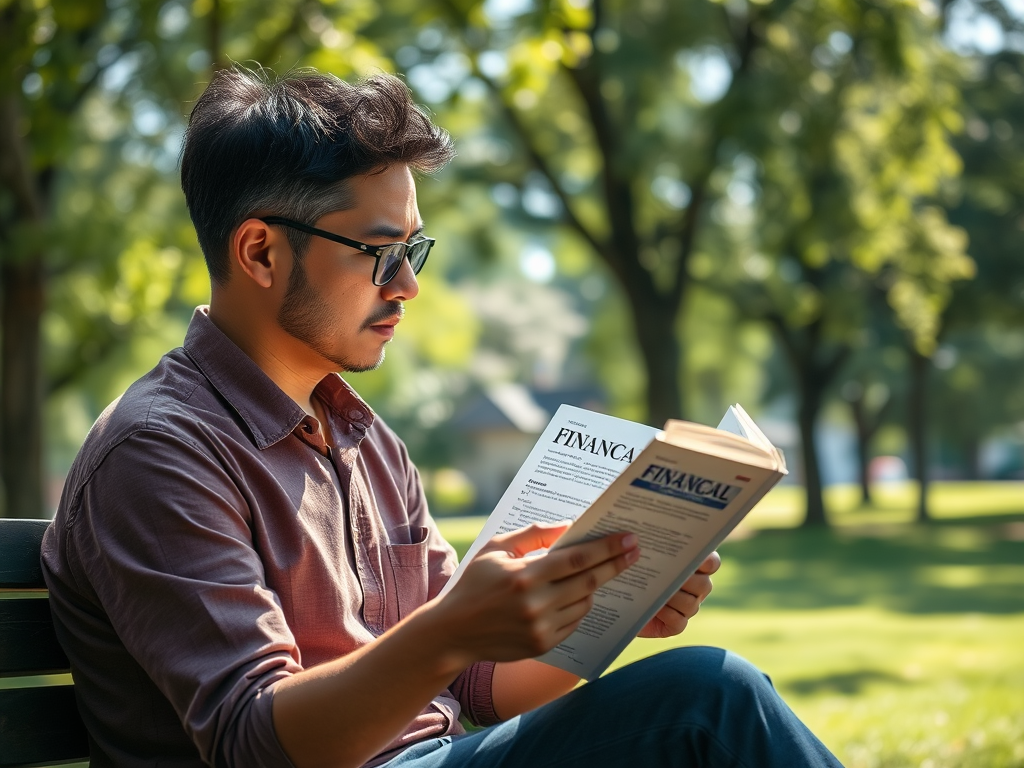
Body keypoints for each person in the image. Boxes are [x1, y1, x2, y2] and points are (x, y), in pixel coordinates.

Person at [41, 66, 843, 768]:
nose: (407, 286)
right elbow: (256, 743)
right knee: (708, 699)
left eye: (413, 252)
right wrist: (451, 629)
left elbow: (472, 683)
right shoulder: (158, 453)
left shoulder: (363, 438)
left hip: (439, 754)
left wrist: (613, 604)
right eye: (380, 252)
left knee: (705, 693)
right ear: (259, 253)